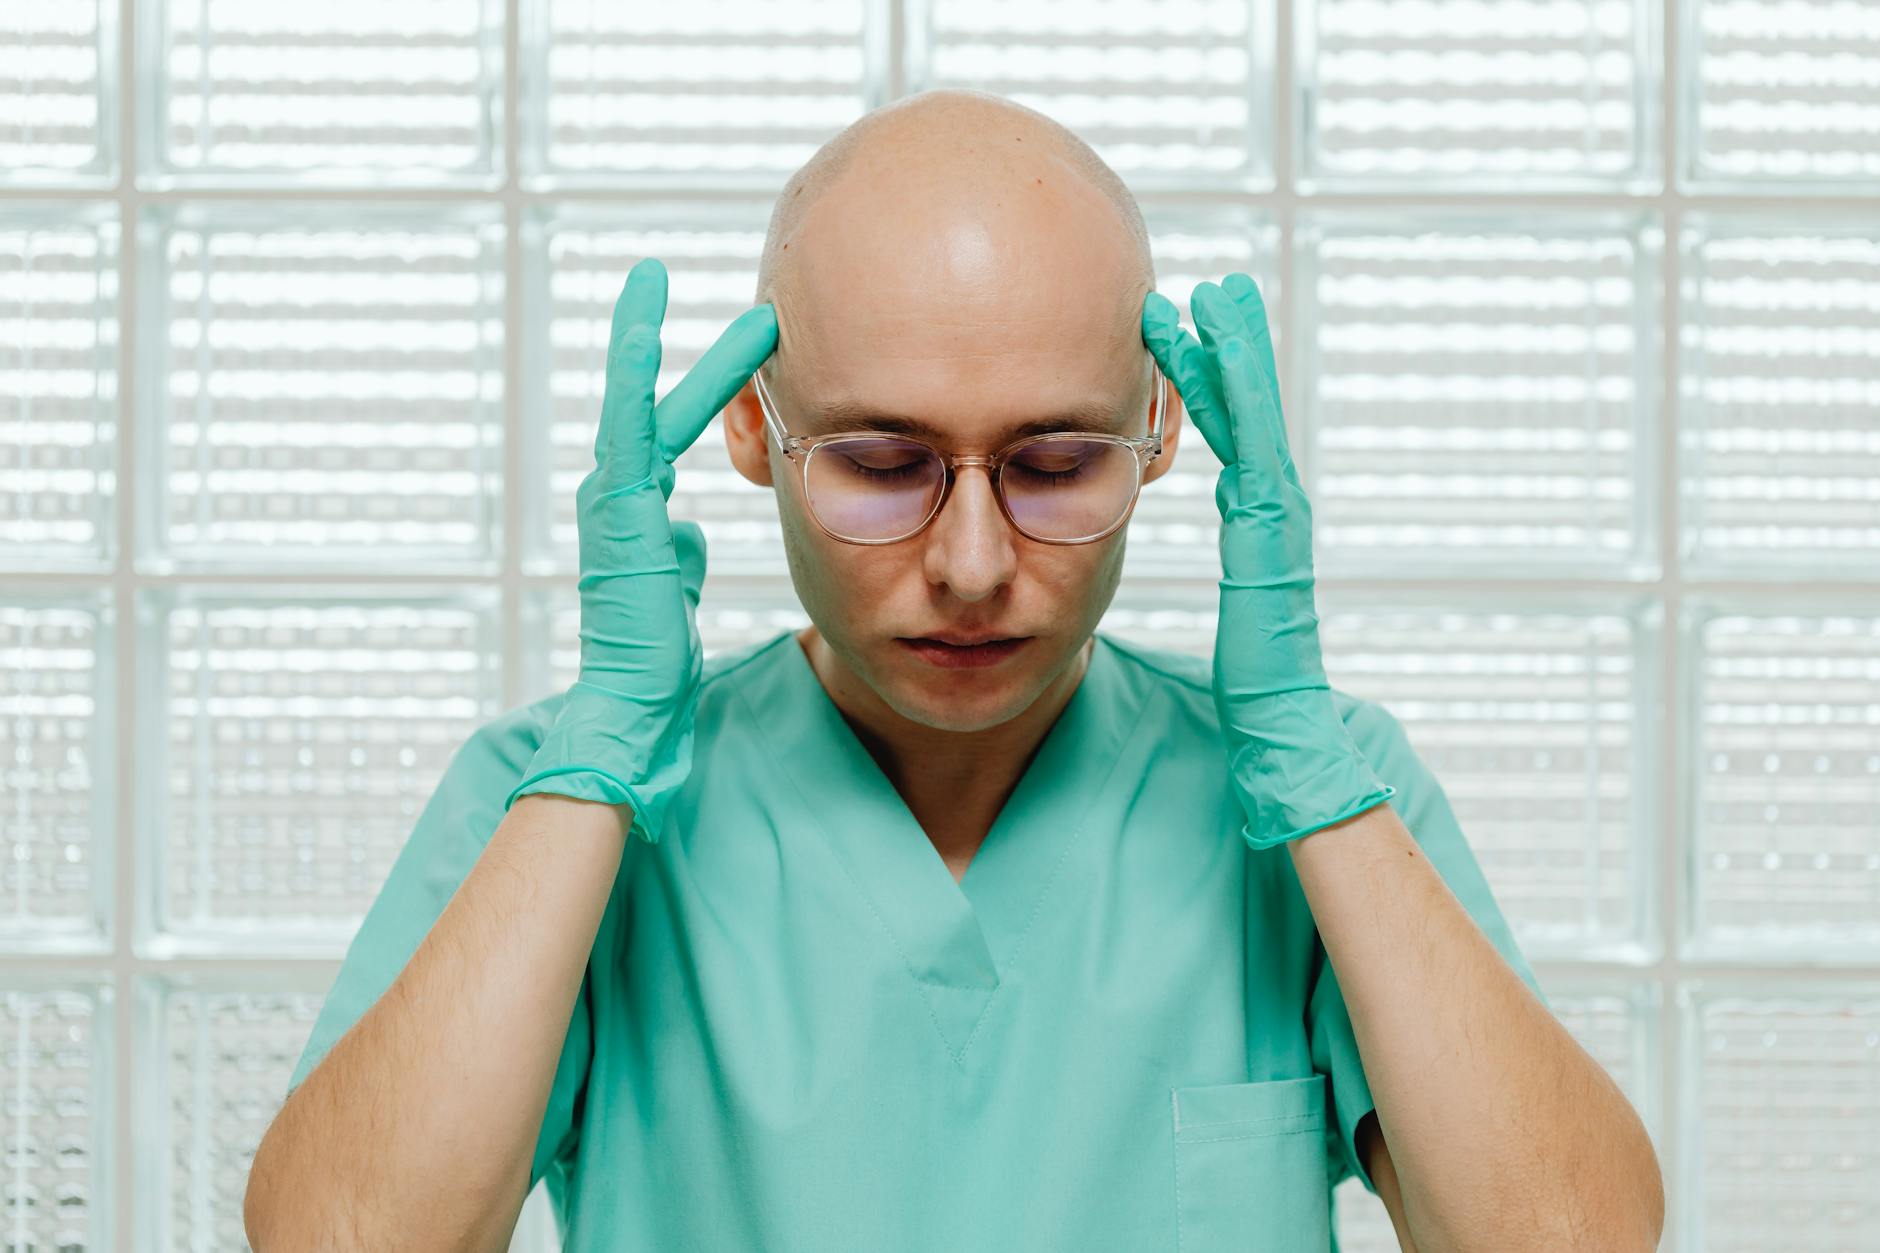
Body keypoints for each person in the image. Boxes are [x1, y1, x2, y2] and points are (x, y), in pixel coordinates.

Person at [243, 90, 1663, 1252]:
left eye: (1056, 463)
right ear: (754, 431)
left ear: (1162, 430)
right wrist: (602, 752)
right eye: (880, 462)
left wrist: (1301, 752)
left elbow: (1572, 1239)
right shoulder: (560, 806)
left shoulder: (1316, 794)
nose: (974, 561)